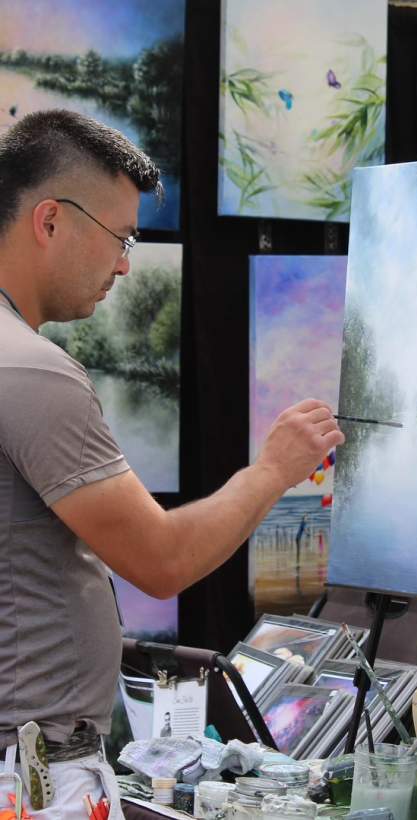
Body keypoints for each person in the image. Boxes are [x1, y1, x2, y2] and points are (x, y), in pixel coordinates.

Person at [0, 109, 345, 818]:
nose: (126, 262)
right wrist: (272, 470)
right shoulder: (32, 371)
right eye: (120, 237)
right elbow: (160, 559)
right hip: (32, 776)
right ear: (50, 221)